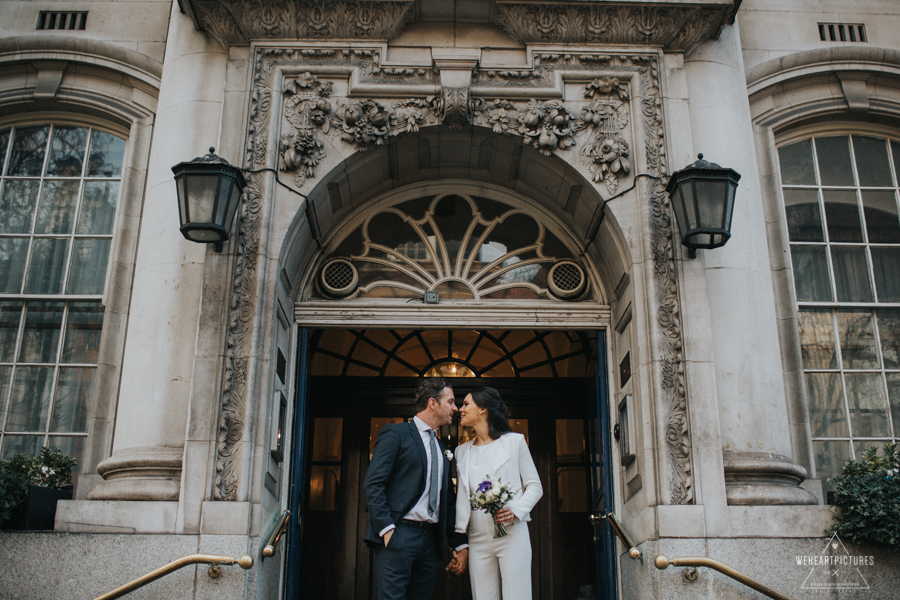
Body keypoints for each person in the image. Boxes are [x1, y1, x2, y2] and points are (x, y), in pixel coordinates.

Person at [363, 378, 468, 600]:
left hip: (431, 542)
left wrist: (459, 543)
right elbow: (374, 483)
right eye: (450, 402)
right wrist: (387, 529)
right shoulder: (396, 434)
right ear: (433, 403)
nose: (455, 408)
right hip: (399, 535)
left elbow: (448, 500)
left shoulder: (442, 449)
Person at [450, 386, 543, 600]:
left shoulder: (514, 442)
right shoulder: (462, 452)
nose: (460, 410)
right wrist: (460, 537)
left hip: (510, 533)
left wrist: (516, 510)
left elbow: (535, 485)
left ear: (483, 409)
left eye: (466, 404)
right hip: (477, 535)